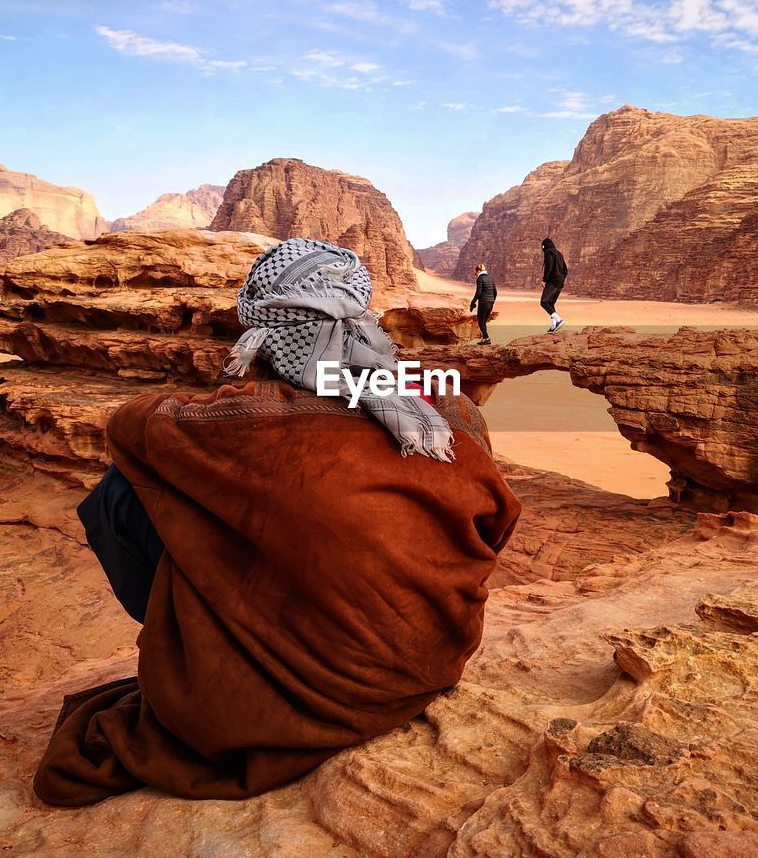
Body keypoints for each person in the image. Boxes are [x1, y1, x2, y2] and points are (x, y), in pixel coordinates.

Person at [34, 237, 521, 806]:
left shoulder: (246, 422)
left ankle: (206, 648)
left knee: (120, 493)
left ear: (262, 331)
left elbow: (128, 427)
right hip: (424, 669)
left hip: (299, 699)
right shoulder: (448, 410)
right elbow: (498, 526)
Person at [540, 237, 567, 333]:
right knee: (550, 303)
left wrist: (544, 280)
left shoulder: (548, 252)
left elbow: (549, 266)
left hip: (553, 281)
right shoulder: (559, 253)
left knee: (543, 302)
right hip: (560, 282)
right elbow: (565, 270)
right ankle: (554, 325)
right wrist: (562, 279)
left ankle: (559, 320)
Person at [468, 262, 497, 345]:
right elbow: (495, 292)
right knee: (484, 321)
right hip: (490, 303)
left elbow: (478, 292)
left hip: (483, 303)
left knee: (480, 321)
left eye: (475, 272)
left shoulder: (480, 279)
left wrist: (472, 303)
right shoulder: (490, 278)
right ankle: (484, 339)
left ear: (478, 270)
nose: (475, 274)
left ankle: (487, 338)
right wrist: (492, 301)